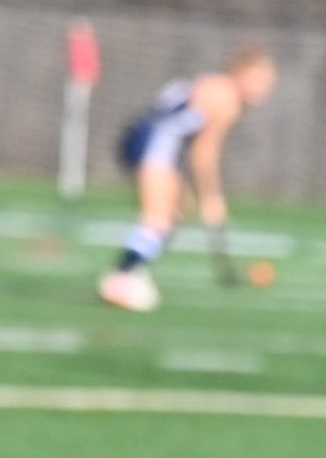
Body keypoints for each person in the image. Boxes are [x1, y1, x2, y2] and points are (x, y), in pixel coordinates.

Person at [97, 50, 278, 312]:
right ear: (242, 73)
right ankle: (122, 277)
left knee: (175, 212)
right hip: (157, 141)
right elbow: (204, 152)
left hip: (151, 138)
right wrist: (211, 197)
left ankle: (133, 270)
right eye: (260, 79)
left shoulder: (215, 86)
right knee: (158, 217)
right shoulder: (226, 97)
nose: (265, 88)